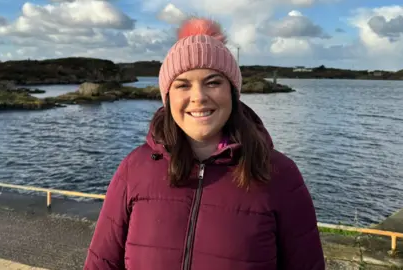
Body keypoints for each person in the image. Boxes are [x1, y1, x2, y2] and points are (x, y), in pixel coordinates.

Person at [84, 17, 325, 270]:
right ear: (168, 97)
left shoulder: (280, 174)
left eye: (213, 82)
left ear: (232, 92)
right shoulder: (133, 169)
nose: (198, 97)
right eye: (183, 85)